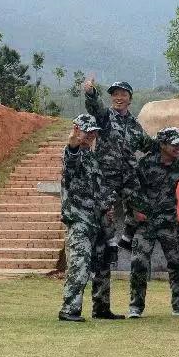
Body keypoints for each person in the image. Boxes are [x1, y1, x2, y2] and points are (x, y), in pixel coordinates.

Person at [83, 74, 155, 301]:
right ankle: (110, 244)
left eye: (123, 94)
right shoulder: (105, 118)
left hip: (128, 177)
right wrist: (91, 93)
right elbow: (95, 107)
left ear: (130, 99)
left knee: (143, 208)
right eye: (115, 94)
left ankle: (126, 237)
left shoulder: (134, 125)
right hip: (106, 177)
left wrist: (167, 147)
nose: (118, 98)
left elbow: (149, 145)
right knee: (105, 216)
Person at [58, 114, 123, 321]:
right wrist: (73, 145)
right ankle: (70, 310)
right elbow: (70, 162)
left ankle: (101, 308)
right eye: (87, 131)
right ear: (77, 130)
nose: (91, 135)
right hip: (79, 220)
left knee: (103, 265)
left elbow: (99, 189)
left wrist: (107, 207)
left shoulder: (92, 158)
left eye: (94, 132)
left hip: (97, 220)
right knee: (80, 263)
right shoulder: (72, 154)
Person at [126, 127, 179, 318]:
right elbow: (131, 187)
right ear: (162, 145)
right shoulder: (146, 163)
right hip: (146, 222)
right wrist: (135, 209)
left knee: (176, 263)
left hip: (168, 222)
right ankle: (136, 306)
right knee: (139, 262)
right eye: (174, 144)